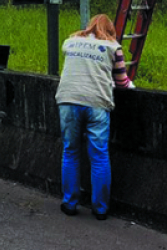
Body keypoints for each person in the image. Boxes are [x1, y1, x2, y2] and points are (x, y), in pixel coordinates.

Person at [55, 14, 135, 220]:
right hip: (97, 103)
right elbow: (122, 82)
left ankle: (70, 203)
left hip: (68, 100)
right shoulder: (113, 47)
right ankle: (100, 208)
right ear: (110, 30)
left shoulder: (70, 42)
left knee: (70, 152)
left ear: (89, 26)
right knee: (99, 156)